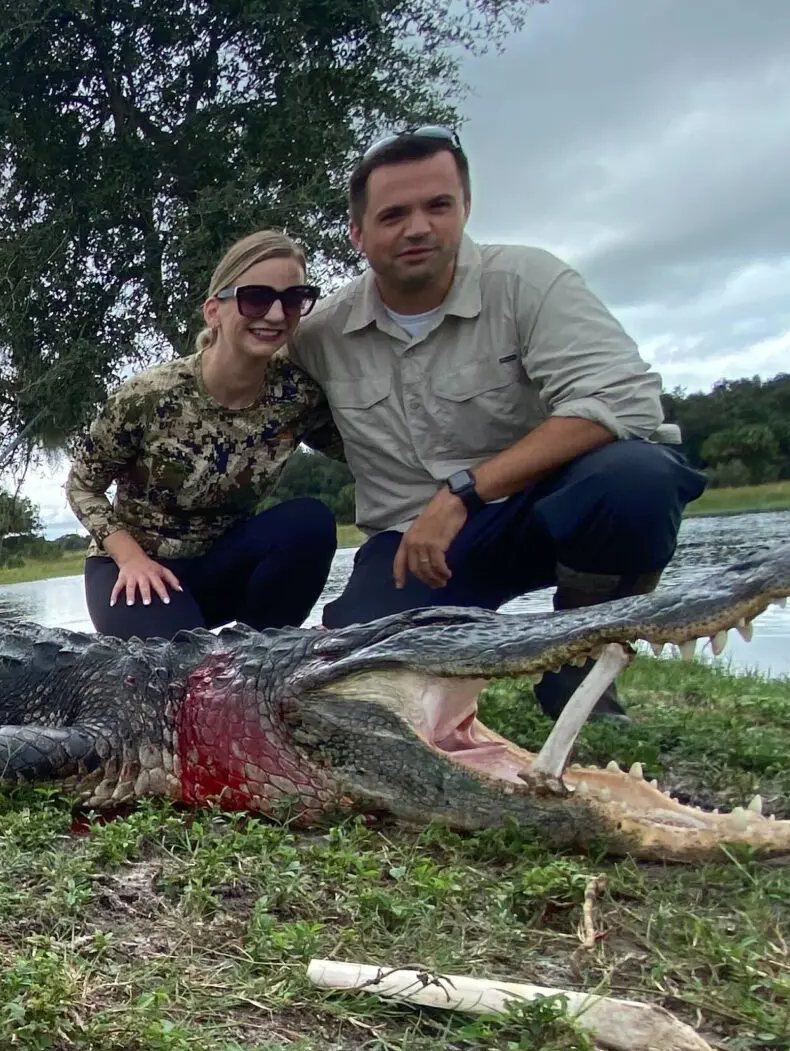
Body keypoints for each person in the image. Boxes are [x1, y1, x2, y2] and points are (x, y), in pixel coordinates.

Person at [291, 126, 703, 715]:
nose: (417, 229)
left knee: (637, 479)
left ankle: (581, 657)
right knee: (351, 666)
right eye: (393, 215)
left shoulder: (530, 281)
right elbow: (241, 384)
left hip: (542, 514)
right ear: (358, 234)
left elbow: (626, 403)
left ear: (465, 208)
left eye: (438, 206)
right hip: (413, 544)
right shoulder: (319, 334)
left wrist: (463, 493)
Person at [65, 231, 340, 641]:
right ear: (214, 311)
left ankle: (261, 659)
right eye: (256, 298)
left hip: (224, 566)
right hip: (137, 573)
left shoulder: (298, 396)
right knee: (183, 674)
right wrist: (130, 558)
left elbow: (364, 450)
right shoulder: (148, 395)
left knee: (309, 523)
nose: (277, 315)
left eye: (294, 299)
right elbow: (82, 485)